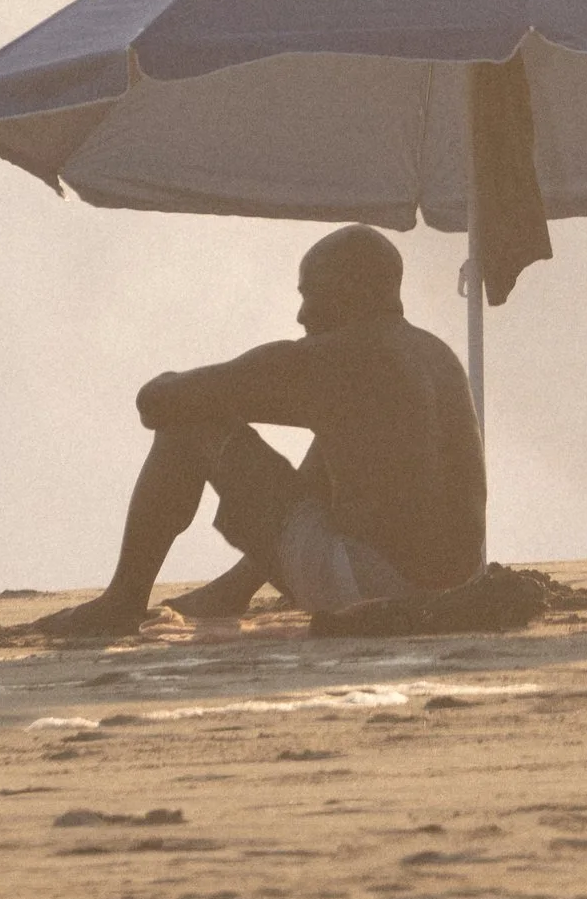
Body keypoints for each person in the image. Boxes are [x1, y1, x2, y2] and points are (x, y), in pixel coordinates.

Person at [41, 223, 485, 640]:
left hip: (369, 588)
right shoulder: (435, 354)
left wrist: (174, 380)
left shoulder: (332, 357)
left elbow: (159, 403)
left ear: (354, 289)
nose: (302, 314)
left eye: (311, 294)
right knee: (336, 446)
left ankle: (123, 600)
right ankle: (233, 588)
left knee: (191, 422)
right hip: (457, 587)